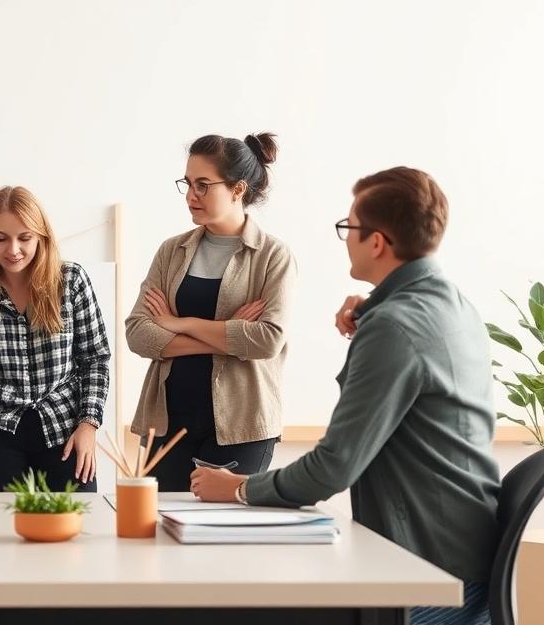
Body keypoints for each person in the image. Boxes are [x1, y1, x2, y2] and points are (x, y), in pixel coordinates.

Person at [190, 166, 499, 625]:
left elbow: (331, 469)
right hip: (466, 558)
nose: (346, 238)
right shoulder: (452, 304)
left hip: (427, 578)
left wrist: (237, 488)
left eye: (348, 228)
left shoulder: (394, 327)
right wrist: (371, 306)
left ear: (376, 242)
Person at [126, 133, 297, 491]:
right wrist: (229, 334)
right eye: (187, 184)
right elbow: (139, 333)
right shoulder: (171, 251)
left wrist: (181, 323)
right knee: (159, 534)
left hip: (242, 425)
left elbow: (267, 340)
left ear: (237, 189)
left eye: (203, 185)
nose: (191, 196)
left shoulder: (272, 256)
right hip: (167, 423)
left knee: (225, 539)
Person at [0, 186, 111, 492]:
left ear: (41, 237)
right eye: (1, 238)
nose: (13, 250)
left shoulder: (72, 281)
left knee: (76, 524)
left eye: (24, 238)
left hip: (64, 428)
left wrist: (89, 424)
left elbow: (95, 359)